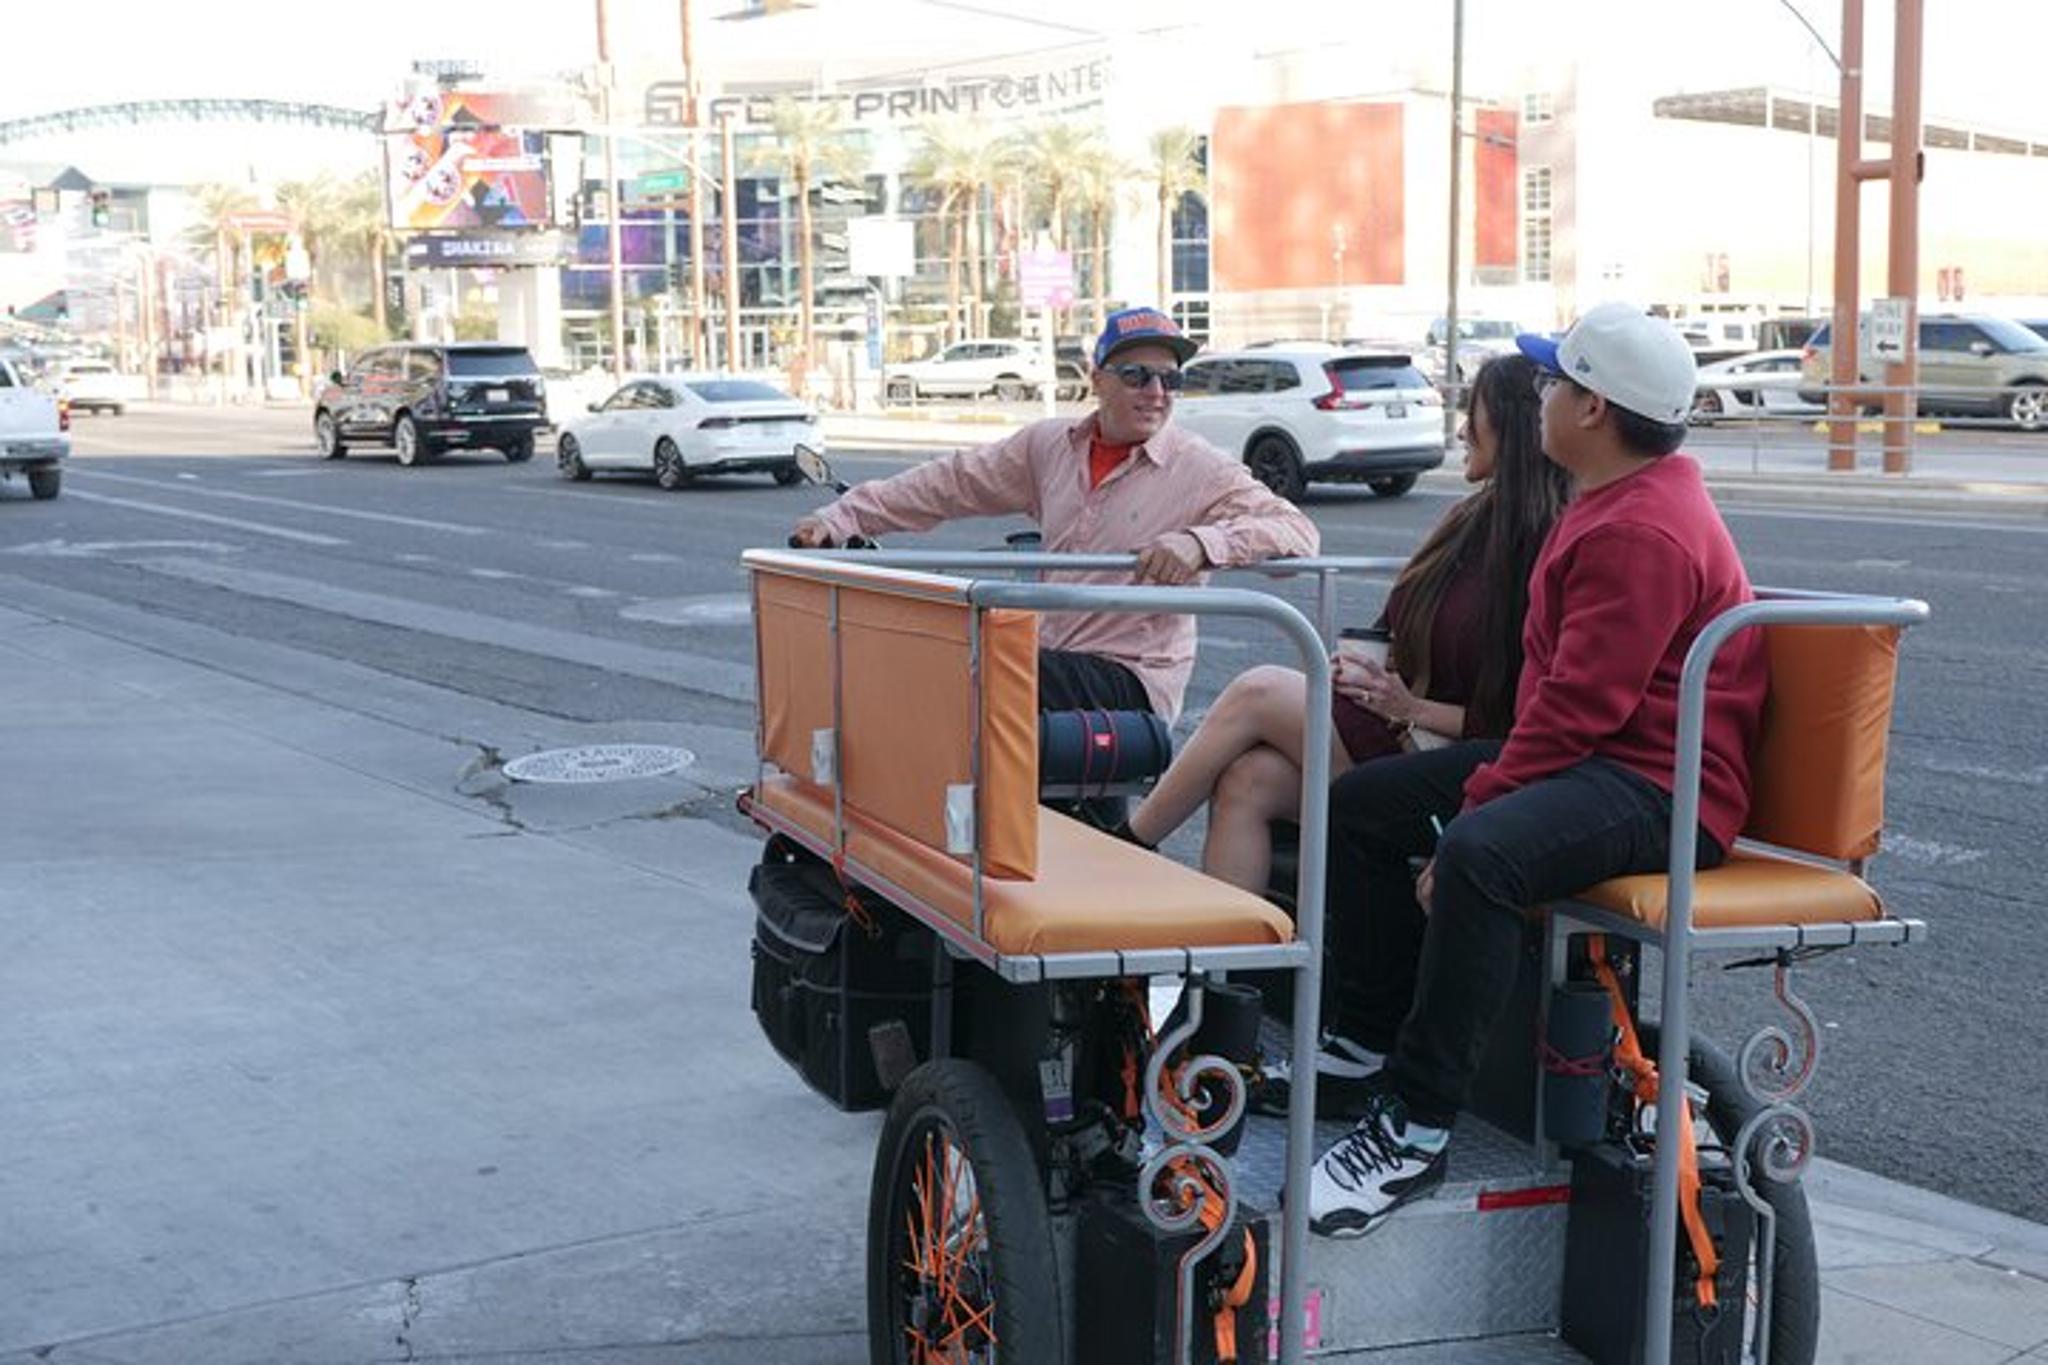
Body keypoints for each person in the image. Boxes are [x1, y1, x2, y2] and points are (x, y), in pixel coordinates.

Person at [1304, 304, 1770, 1238]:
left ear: (1593, 409)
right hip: (1608, 762)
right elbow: (1561, 712)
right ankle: (1362, 1041)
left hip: (1660, 786)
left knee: (1480, 854)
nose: (1542, 396)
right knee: (1362, 806)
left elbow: (1578, 711)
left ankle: (1415, 1126)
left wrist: (1476, 806)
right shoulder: (1615, 500)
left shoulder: (1642, 529)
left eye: (1556, 382)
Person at [1117, 354, 1569, 906]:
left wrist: (1409, 708)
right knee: (1248, 781)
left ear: (1511, 424)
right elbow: (1401, 628)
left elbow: (1529, 718)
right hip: (1399, 727)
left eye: (1471, 414)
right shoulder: (1469, 518)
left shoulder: (1552, 539)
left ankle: (1128, 846)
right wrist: (1369, 667)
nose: (1459, 429)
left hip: (1458, 759)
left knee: (1257, 689)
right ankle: (1225, 981)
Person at [790, 307, 1320, 731]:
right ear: (1098, 380)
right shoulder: (1049, 446)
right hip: (1053, 660)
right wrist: (842, 517)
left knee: (970, 672)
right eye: (1136, 376)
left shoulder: (1198, 465)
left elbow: (1298, 536)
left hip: (1131, 679)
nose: (1156, 393)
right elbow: (951, 483)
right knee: (943, 659)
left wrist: (1202, 544)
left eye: (1169, 378)